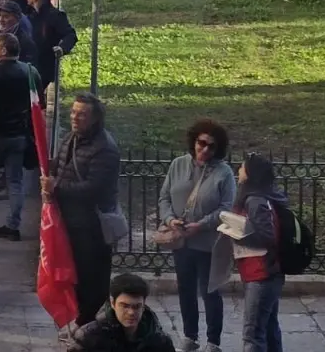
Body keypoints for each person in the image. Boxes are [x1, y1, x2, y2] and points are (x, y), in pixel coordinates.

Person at [43, 93, 122, 333]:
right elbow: (60, 165)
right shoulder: (71, 137)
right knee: (74, 275)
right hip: (69, 222)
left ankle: (90, 327)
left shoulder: (105, 148)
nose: (75, 117)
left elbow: (93, 189)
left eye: (82, 114)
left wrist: (56, 186)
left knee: (91, 279)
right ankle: (79, 322)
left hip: (91, 227)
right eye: (73, 112)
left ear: (95, 118)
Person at [156, 120, 236, 352]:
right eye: (202, 143)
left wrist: (200, 225)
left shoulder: (224, 173)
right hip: (182, 240)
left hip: (209, 242)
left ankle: (213, 341)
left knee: (210, 291)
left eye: (211, 146)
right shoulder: (178, 165)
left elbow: (225, 207)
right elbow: (164, 198)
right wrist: (170, 220)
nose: (205, 150)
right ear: (194, 141)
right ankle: (190, 336)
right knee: (186, 289)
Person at [0, 32, 40, 241]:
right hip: (19, 134)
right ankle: (13, 225)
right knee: (15, 180)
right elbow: (37, 104)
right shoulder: (30, 71)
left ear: (3, 50)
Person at [233, 155, 289, 352]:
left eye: (241, 168)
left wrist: (237, 234)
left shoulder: (255, 200)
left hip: (262, 274)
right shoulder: (263, 196)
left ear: (249, 174)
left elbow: (267, 236)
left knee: (253, 335)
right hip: (266, 273)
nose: (238, 171)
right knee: (269, 328)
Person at [73, 273, 177, 352]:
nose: (131, 312)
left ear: (144, 305)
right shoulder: (89, 338)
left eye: (137, 306)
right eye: (124, 306)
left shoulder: (159, 340)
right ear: (113, 303)